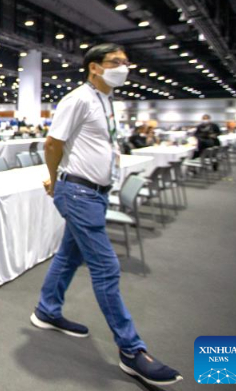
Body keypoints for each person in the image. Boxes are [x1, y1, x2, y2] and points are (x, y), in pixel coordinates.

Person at [33, 43, 182, 386]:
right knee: (106, 268)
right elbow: (53, 144)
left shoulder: (106, 101)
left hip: (95, 193)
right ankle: (131, 350)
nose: (124, 67)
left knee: (69, 256)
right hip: (79, 193)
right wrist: (54, 179)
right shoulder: (79, 99)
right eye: (116, 62)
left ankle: (47, 310)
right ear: (94, 67)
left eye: (126, 62)